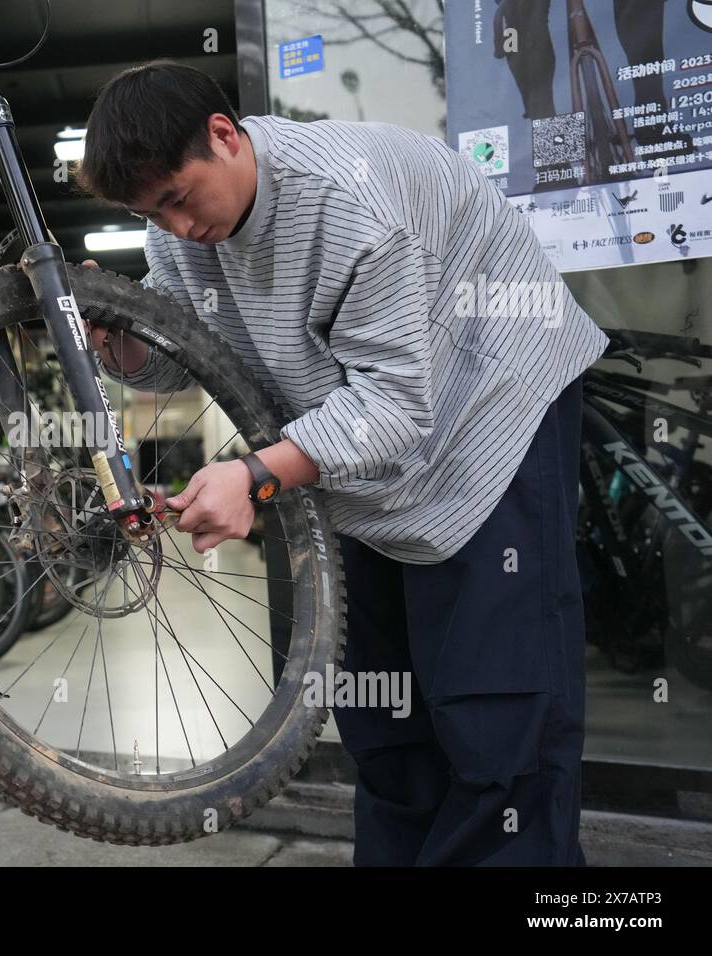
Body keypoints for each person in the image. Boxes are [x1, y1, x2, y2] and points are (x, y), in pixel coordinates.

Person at [73, 60, 608, 866]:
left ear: (225, 135)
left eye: (179, 199)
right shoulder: (178, 232)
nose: (175, 229)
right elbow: (184, 350)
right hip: (358, 449)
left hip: (488, 410)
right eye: (153, 213)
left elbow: (397, 403)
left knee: (495, 710)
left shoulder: (347, 203)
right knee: (385, 718)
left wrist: (256, 475)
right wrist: (122, 339)